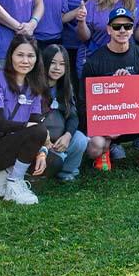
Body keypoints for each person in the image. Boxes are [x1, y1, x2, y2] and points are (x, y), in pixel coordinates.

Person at [81, 7, 139, 172]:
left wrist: (132, 84)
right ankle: (104, 152)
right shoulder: (95, 60)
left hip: (134, 116)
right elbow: (83, 100)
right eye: (116, 27)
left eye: (127, 26)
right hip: (107, 119)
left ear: (132, 30)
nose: (122, 30)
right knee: (95, 147)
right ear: (109, 29)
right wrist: (104, 126)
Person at [0, 35, 49, 205]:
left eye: (31, 56)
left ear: (37, 59)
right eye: (20, 55)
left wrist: (42, 151)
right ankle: (14, 182)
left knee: (50, 155)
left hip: (11, 145)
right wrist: (29, 128)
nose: (25, 60)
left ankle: (5, 179)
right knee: (39, 131)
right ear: (10, 56)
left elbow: (35, 122)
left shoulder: (34, 85)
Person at [39, 45, 89, 182]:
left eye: (62, 64)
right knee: (54, 160)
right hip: (40, 141)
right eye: (53, 63)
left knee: (80, 139)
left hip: (59, 139)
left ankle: (66, 171)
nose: (57, 68)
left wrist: (67, 135)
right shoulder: (34, 86)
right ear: (44, 62)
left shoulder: (66, 86)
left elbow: (73, 116)